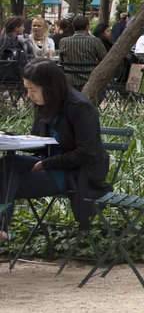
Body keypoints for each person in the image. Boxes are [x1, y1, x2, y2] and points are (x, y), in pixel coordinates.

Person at [0, 60, 108, 243]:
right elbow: (38, 141)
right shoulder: (45, 104)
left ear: (50, 87)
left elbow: (87, 152)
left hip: (76, 175)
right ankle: (1, 231)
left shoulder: (80, 107)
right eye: (27, 89)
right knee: (6, 165)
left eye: (33, 90)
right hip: (49, 164)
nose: (28, 95)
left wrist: (47, 163)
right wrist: (8, 137)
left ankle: (1, 230)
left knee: (6, 176)